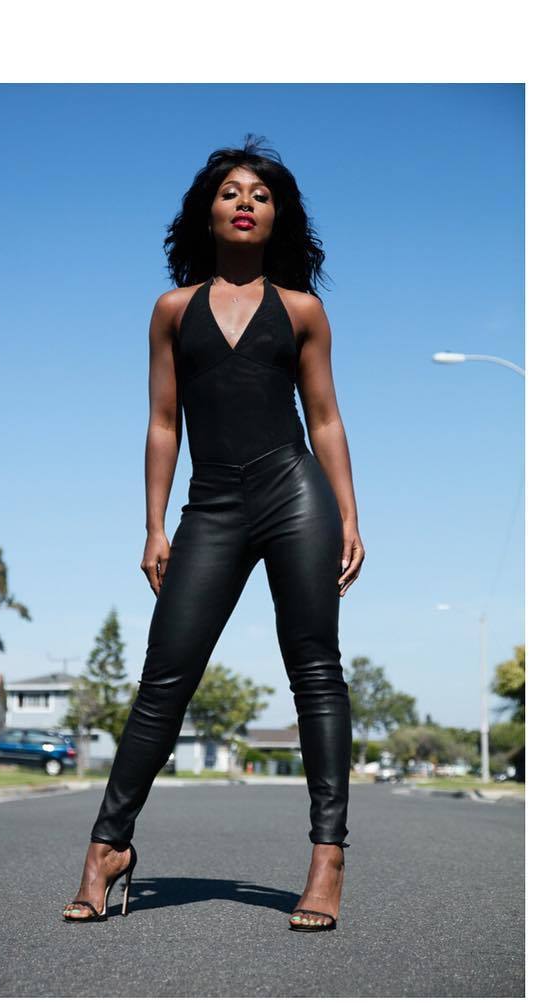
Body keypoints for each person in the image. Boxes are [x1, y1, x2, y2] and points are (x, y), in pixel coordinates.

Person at [62, 136, 365, 931]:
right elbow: (164, 422)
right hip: (212, 505)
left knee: (315, 670)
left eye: (261, 195)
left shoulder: (302, 311)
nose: (245, 203)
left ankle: (327, 857)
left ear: (277, 217)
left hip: (295, 493)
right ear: (208, 212)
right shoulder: (172, 311)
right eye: (231, 192)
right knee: (165, 678)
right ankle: (108, 848)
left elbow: (325, 419)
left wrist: (349, 515)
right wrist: (154, 525)